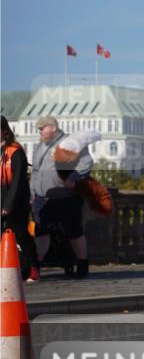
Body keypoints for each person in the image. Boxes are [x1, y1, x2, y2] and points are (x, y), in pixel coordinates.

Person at [30, 117, 93, 279]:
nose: (40, 132)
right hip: (42, 198)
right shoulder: (39, 146)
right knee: (41, 231)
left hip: (65, 196)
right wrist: (32, 191)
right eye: (39, 129)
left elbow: (86, 162)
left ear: (54, 128)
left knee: (73, 232)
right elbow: (35, 171)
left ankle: (82, 263)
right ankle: (35, 266)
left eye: (42, 128)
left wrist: (73, 177)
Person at [1, 116, 40, 282]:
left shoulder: (15, 152)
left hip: (15, 202)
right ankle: (14, 270)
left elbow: (17, 181)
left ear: (3, 132)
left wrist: (8, 205)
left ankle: (33, 269)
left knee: (21, 235)